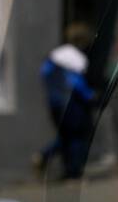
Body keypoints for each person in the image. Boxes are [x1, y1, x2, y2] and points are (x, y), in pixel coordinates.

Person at [36, 23, 97, 179]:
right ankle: (73, 172)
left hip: (54, 103)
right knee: (76, 137)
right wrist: (90, 96)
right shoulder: (77, 59)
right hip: (72, 105)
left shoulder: (55, 55)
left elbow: (44, 73)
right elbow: (76, 83)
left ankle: (46, 156)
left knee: (64, 136)